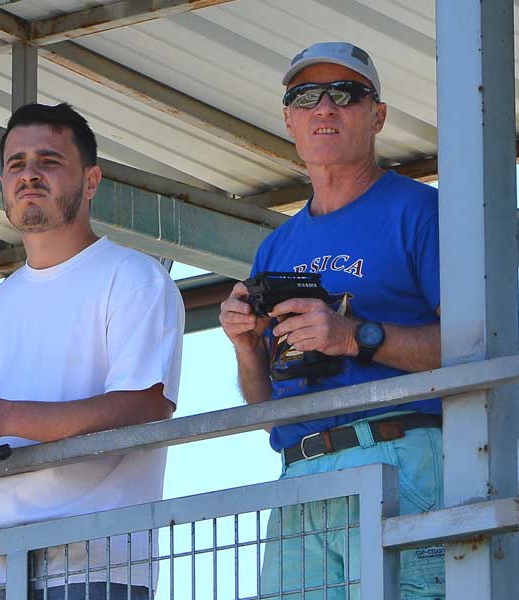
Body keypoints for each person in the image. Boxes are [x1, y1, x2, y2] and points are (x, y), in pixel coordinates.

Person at [0, 103, 184, 599]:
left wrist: (2, 415)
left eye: (48, 161)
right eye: (16, 164)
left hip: (88, 565)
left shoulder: (134, 278)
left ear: (91, 182)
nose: (29, 175)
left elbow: (144, 406)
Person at [219, 42, 444, 599]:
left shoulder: (422, 211)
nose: (324, 107)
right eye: (306, 96)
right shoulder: (276, 246)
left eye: (344, 93)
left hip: (400, 455)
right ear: (289, 119)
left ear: (378, 115)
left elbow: (481, 345)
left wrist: (353, 336)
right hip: (300, 472)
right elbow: (268, 415)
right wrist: (246, 346)